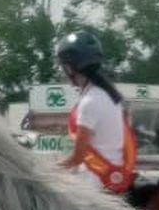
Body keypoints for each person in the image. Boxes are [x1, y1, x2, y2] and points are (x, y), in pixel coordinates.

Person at [55, 29, 137, 193]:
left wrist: (51, 169)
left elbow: (78, 157)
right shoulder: (109, 97)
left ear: (71, 68)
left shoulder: (89, 102)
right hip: (115, 177)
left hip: (93, 182)